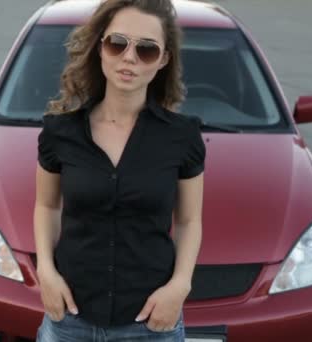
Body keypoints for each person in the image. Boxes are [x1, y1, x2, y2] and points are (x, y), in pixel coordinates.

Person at [33, 0, 206, 341]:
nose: (129, 57)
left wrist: (180, 286)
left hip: (151, 323)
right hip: (70, 320)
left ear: (163, 60)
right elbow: (47, 206)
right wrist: (46, 272)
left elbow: (189, 220)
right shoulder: (59, 133)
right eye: (117, 43)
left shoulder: (182, 137)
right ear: (101, 49)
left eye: (146, 50)